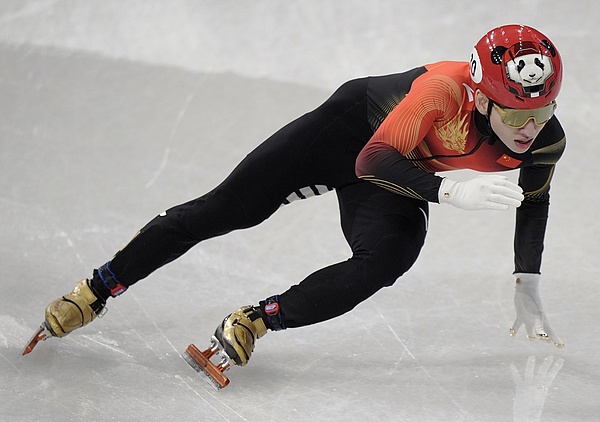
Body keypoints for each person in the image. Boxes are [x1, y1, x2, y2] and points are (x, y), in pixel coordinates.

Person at [32, 24, 566, 370]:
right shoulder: (442, 91)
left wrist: (527, 280)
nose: (531, 128)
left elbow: (535, 200)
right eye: (517, 114)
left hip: (398, 168)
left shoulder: (544, 138)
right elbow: (372, 159)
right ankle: (98, 288)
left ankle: (256, 318)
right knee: (225, 210)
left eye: (543, 111)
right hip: (348, 134)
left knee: (390, 257)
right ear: (481, 98)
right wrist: (450, 190)